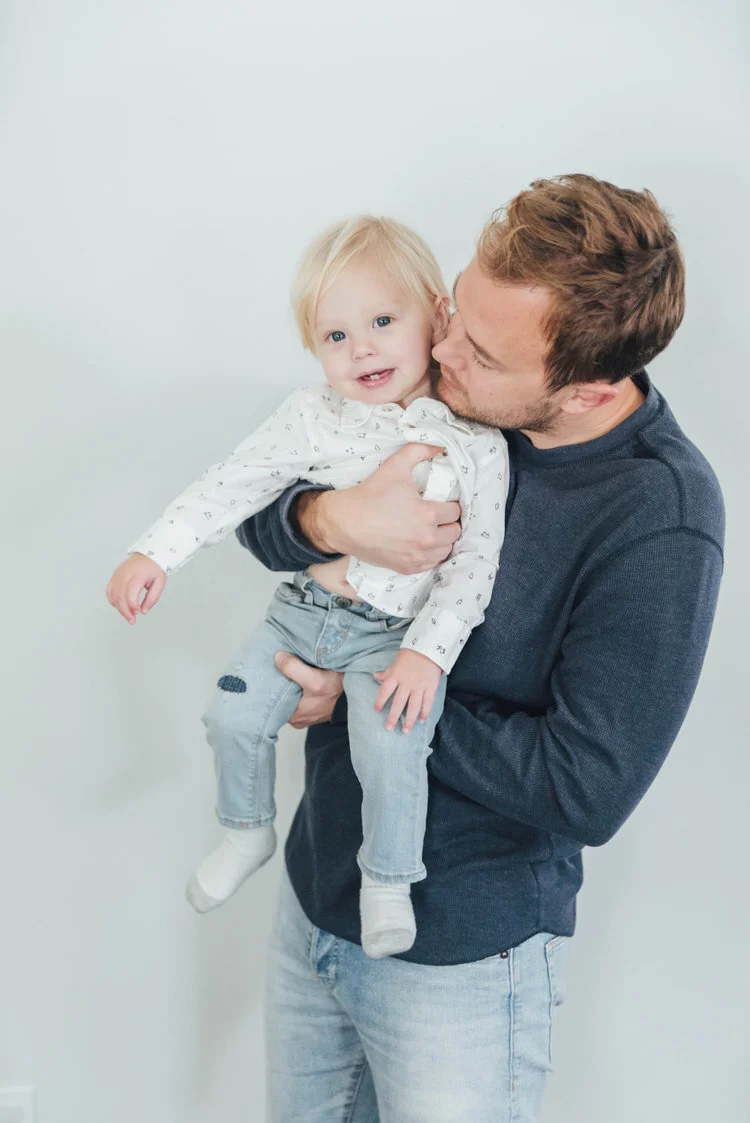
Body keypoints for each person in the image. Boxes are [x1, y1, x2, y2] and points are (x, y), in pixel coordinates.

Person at [237, 175, 725, 1122]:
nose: (438, 344)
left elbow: (583, 786)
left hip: (458, 960)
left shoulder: (659, 520)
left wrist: (358, 688)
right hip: (313, 896)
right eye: (455, 306)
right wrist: (331, 514)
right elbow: (258, 521)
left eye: (482, 350)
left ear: (587, 386)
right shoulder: (439, 388)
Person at [104, 216, 508, 958]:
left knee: (388, 746)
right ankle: (245, 829)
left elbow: (473, 566)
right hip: (302, 614)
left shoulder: (474, 442)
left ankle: (388, 880)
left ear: (435, 314)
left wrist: (429, 655)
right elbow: (233, 486)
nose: (363, 350)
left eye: (384, 321)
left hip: (397, 636)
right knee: (231, 713)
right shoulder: (308, 418)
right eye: (336, 337)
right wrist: (153, 554)